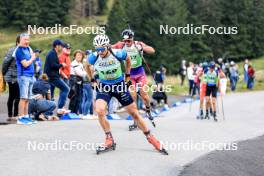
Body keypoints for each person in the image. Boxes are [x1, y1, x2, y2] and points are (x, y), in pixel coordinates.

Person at [86, 34, 167, 154]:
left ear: (108, 47)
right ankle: (109, 139)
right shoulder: (94, 57)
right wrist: (92, 79)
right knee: (99, 110)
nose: (100, 52)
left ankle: (151, 138)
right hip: (104, 86)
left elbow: (128, 59)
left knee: (134, 113)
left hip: (119, 85)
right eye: (97, 49)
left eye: (102, 49)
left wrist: (128, 75)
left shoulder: (117, 53)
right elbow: (86, 65)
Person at [112, 29, 156, 129]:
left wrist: (143, 48)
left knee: (144, 95)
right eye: (125, 41)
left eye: (129, 41)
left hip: (140, 73)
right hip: (129, 75)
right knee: (133, 96)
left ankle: (148, 110)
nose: (127, 43)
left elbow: (152, 50)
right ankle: (135, 120)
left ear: (132, 39)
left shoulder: (138, 44)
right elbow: (109, 47)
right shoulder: (121, 45)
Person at [15, 33, 37, 125]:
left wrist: (32, 57)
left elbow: (33, 57)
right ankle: (20, 118)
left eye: (28, 40)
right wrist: (32, 58)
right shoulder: (19, 51)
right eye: (25, 40)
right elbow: (25, 64)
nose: (27, 41)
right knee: (23, 98)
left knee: (28, 98)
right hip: (24, 76)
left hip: (31, 76)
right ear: (20, 41)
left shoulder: (28, 48)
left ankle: (26, 116)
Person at [44, 39, 70, 115]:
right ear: (57, 46)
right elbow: (52, 65)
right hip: (53, 77)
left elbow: (53, 65)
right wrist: (62, 65)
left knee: (50, 94)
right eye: (61, 46)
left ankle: (48, 112)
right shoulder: (52, 53)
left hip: (51, 76)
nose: (62, 48)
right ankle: (60, 108)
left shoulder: (53, 53)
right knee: (66, 89)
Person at [2, 36, 20, 121]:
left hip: (17, 76)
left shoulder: (23, 51)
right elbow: (5, 62)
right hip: (11, 76)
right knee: (17, 96)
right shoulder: (12, 50)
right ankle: (14, 115)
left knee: (13, 96)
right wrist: (3, 74)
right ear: (17, 42)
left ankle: (11, 115)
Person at [68, 50, 87, 114]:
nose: (79, 56)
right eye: (78, 55)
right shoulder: (74, 63)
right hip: (74, 82)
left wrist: (85, 73)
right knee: (74, 97)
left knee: (79, 98)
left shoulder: (80, 64)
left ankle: (76, 112)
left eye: (80, 55)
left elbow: (83, 73)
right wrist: (86, 73)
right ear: (75, 56)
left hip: (80, 82)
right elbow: (80, 73)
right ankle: (71, 112)